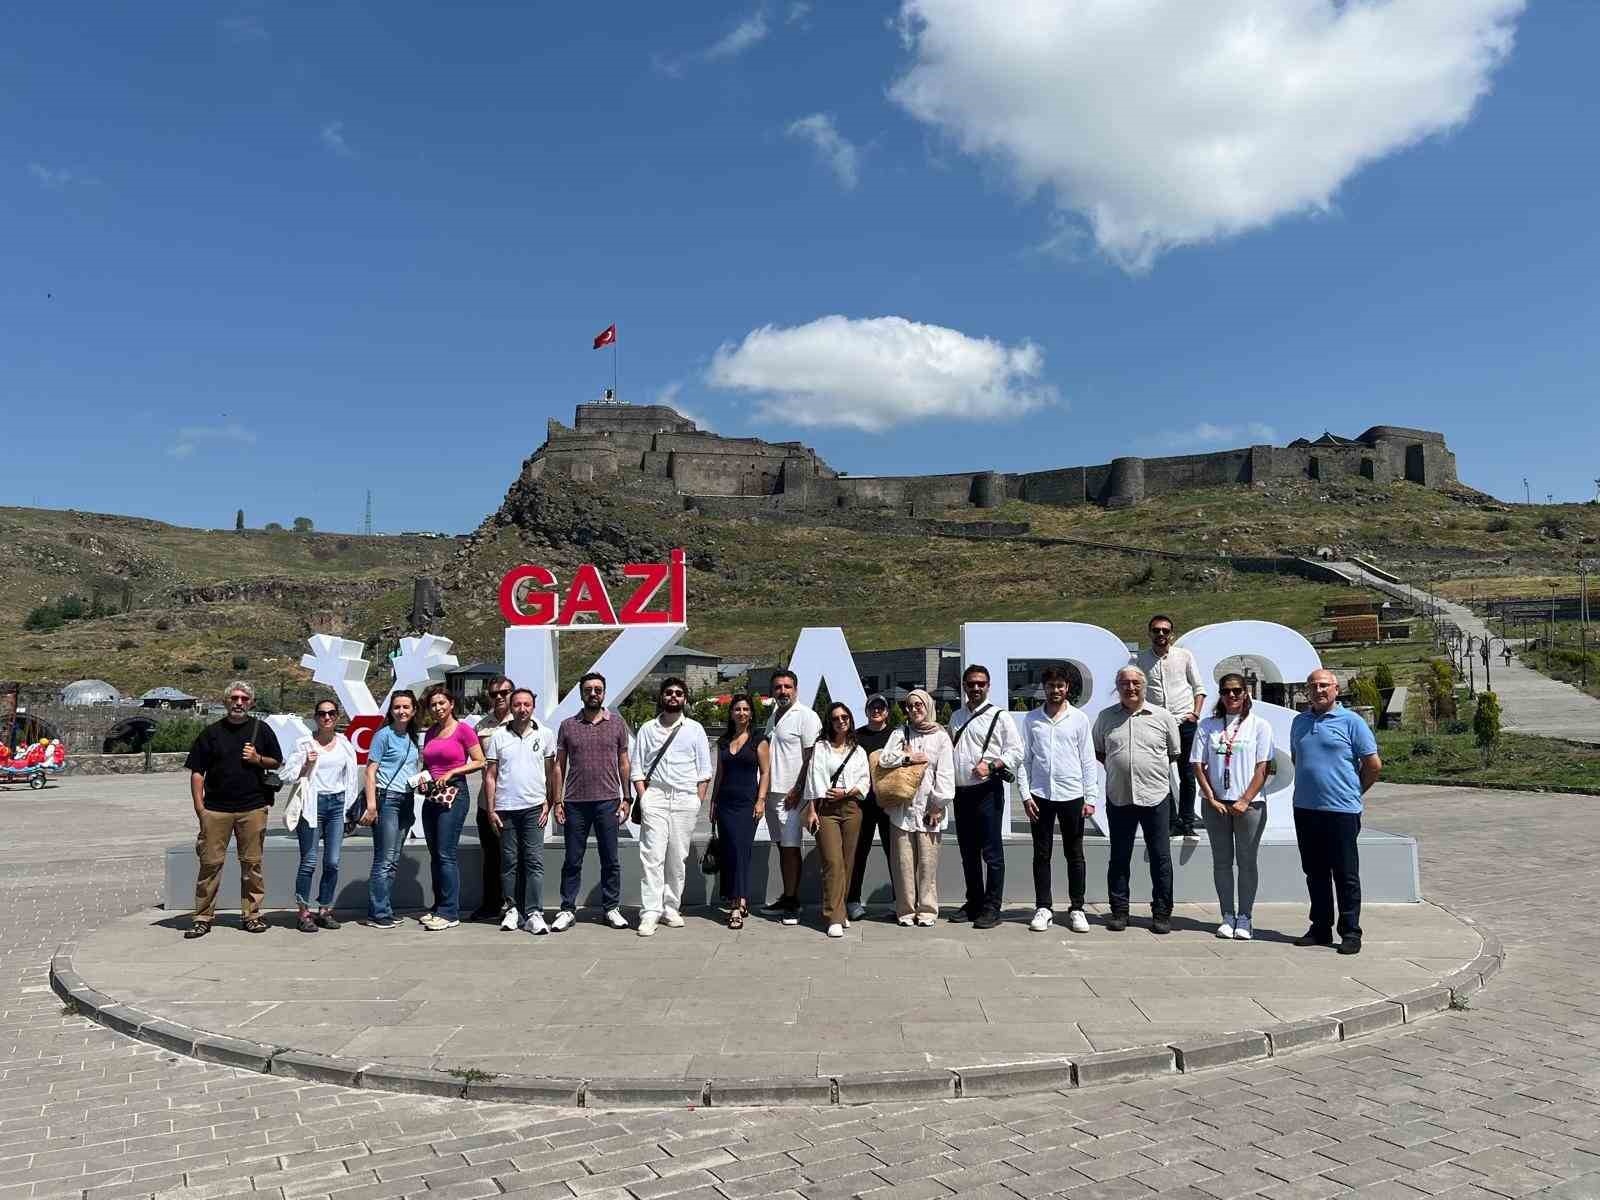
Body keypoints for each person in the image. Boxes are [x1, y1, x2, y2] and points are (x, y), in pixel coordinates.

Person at [1290, 668, 1382, 956]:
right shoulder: (1299, 722)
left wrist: (1354, 792)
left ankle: (1351, 931)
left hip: (1341, 810)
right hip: (1305, 808)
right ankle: (1320, 927)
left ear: (1336, 690)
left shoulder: (1352, 722)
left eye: (1324, 685)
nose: (1318, 690)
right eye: (1313, 686)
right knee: (1314, 872)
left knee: (1345, 873)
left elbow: (1373, 765)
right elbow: (1298, 759)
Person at [184, 681, 282, 938]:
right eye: (234, 698)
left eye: (244, 698)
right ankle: (203, 917)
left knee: (252, 865)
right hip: (216, 810)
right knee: (210, 864)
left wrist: (257, 759)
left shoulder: (262, 730)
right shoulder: (211, 733)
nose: (239, 702)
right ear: (226, 701)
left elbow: (276, 761)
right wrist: (200, 808)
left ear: (251, 702)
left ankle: (252, 915)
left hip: (252, 807)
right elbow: (197, 772)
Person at [1093, 666, 1181, 934]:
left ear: (1144, 686)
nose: (1130, 687)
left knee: (1160, 857)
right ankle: (1119, 911)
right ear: (1117, 687)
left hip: (1155, 796)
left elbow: (1173, 753)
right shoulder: (1106, 717)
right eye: (1124, 683)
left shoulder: (1163, 716)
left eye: (1135, 683)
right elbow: (1100, 752)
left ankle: (1162, 913)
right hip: (1119, 797)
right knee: (1119, 857)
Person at [1192, 672, 1275, 940]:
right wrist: (1210, 797)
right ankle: (1227, 914)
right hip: (1215, 805)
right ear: (1220, 694)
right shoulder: (1208, 725)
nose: (1232, 696)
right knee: (1222, 862)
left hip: (1249, 806)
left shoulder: (1259, 725)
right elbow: (1197, 765)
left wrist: (1245, 800)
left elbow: (1263, 767)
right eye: (1226, 691)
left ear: (1246, 693)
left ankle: (1245, 917)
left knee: (1247, 862)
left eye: (1237, 690)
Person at [630, 677, 713, 937]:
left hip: (685, 799)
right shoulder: (647, 729)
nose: (673, 696)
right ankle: (650, 911)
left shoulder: (695, 729)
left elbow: (704, 771)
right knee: (651, 856)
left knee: (677, 857)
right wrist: (644, 797)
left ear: (685, 699)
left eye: (678, 693)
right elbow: (637, 768)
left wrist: (697, 800)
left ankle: (671, 907)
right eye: (669, 693)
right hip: (655, 797)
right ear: (662, 697)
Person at [1019, 666, 1099, 934]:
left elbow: (1088, 760)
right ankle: (1043, 907)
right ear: (1044, 687)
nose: (1055, 690)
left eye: (1060, 686)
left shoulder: (1079, 719)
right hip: (1040, 795)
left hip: (1072, 795)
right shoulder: (1032, 719)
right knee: (1041, 854)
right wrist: (1025, 794)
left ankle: (1077, 908)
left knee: (1074, 853)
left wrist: (1091, 797)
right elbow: (1024, 761)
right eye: (1051, 685)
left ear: (1068, 688)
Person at [552, 672, 632, 931]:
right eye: (588, 689)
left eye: (598, 689)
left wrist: (627, 797)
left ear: (604, 693)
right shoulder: (567, 725)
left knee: (611, 859)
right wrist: (558, 800)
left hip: (608, 801)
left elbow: (624, 763)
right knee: (573, 859)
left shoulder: (618, 724)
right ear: (581, 693)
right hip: (575, 802)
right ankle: (567, 909)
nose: (593, 693)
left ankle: (611, 908)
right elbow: (558, 766)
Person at [947, 665, 1023, 929]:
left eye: (980, 683)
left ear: (988, 686)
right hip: (961, 792)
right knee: (968, 852)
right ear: (965, 687)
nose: (975, 688)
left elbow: (1016, 752)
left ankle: (992, 907)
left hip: (987, 791)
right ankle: (974, 902)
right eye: (971, 684)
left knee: (991, 852)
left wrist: (991, 766)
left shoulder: (1000, 717)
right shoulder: (956, 716)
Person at [280, 700, 361, 933]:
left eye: (331, 713)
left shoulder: (345, 744)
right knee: (309, 862)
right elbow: (287, 775)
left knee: (333, 862)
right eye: (322, 714)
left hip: (336, 804)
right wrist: (306, 764)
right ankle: (304, 912)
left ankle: (324, 909)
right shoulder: (304, 743)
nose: (327, 717)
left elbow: (351, 778)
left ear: (337, 717)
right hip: (312, 805)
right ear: (315, 717)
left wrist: (347, 807)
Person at [876, 689, 954, 927]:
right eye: (909, 706)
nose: (913, 710)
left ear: (928, 706)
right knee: (903, 864)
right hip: (902, 809)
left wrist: (937, 805)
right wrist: (908, 758)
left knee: (928, 865)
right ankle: (906, 910)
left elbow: (946, 774)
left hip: (930, 810)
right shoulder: (902, 732)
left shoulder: (940, 736)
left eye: (918, 705)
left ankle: (927, 910)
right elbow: (884, 758)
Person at [483, 687, 557, 935]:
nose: (522, 709)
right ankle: (512, 910)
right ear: (511, 707)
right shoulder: (498, 737)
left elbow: (550, 772)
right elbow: (490, 776)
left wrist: (550, 801)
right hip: (506, 809)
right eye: (517, 704)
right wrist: (492, 808)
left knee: (534, 862)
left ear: (533, 707)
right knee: (509, 862)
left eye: (527, 704)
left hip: (534, 808)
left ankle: (535, 913)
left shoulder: (545, 735)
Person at [417, 684, 486, 931]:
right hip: (432, 795)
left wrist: (454, 770)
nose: (437, 708)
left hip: (455, 794)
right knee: (435, 854)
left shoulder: (463, 730)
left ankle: (449, 912)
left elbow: (480, 761)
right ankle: (438, 907)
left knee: (446, 853)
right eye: (433, 705)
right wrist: (423, 780)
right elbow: (427, 764)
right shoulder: (431, 732)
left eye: (441, 703)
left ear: (451, 704)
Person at [759, 669, 822, 925]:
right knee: (781, 846)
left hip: (792, 795)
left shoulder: (806, 716)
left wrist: (798, 788)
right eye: (778, 687)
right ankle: (787, 895)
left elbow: (811, 757)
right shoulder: (773, 716)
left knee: (791, 847)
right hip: (773, 793)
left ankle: (793, 903)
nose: (782, 691)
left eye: (787, 687)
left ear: (796, 689)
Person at [1135, 615, 1207, 838]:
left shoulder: (1185, 656)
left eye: (1165, 631)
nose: (1161, 635)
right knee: (1160, 774)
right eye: (1156, 630)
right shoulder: (1140, 660)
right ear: (1149, 634)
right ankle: (1169, 820)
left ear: (1171, 635)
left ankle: (1187, 821)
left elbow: (1199, 687)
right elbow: (1137, 689)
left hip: (1184, 722)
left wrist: (1195, 713)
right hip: (1156, 724)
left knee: (1188, 774)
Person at [804, 702, 872, 938]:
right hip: (827, 809)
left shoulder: (859, 750)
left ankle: (841, 909)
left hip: (852, 807)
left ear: (850, 720)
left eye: (845, 717)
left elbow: (865, 782)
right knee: (832, 862)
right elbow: (812, 780)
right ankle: (833, 916)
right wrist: (811, 810)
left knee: (847, 862)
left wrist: (848, 792)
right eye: (835, 718)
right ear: (829, 722)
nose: (841, 721)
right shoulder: (821, 747)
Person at [362, 690, 422, 929]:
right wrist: (372, 804)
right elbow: (370, 771)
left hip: (406, 799)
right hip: (386, 800)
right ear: (391, 711)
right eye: (397, 707)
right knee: (384, 859)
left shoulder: (412, 737)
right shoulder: (383, 736)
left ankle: (384, 908)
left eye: (406, 707)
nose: (402, 711)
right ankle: (377, 913)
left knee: (394, 858)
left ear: (414, 710)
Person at [709, 694, 769, 929]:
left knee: (740, 851)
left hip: (747, 804)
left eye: (745, 709)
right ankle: (739, 898)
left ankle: (737, 905)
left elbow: (765, 772)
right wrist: (713, 802)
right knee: (729, 851)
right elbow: (720, 775)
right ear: (731, 713)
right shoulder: (723, 741)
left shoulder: (759, 740)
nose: (741, 713)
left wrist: (761, 800)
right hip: (725, 804)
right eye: (737, 709)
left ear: (751, 713)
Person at [468, 675, 514, 922]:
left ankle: (517, 904)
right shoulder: (481, 726)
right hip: (488, 802)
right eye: (494, 694)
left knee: (515, 857)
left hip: (516, 801)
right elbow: (475, 760)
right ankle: (491, 904)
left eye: (504, 693)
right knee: (491, 857)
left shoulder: (522, 721)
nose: (499, 697)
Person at [846, 694, 896, 920]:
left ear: (887, 711)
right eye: (872, 707)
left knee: (894, 853)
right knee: (859, 853)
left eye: (881, 707)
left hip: (889, 803)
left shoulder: (896, 735)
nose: (876, 710)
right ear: (866, 711)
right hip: (863, 804)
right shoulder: (857, 737)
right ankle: (853, 901)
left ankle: (900, 900)